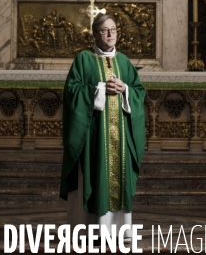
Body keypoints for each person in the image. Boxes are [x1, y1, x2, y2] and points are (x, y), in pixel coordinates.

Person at [60, 14, 146, 242]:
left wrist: (125, 89)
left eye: (114, 30)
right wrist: (98, 90)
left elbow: (139, 92)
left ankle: (118, 231)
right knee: (93, 175)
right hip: (94, 137)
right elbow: (72, 92)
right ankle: (88, 231)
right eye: (105, 30)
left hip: (120, 137)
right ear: (95, 34)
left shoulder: (124, 62)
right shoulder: (83, 59)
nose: (110, 34)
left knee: (119, 179)